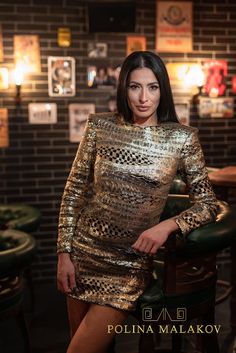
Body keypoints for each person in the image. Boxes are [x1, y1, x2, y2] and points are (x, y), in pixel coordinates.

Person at [57, 51, 218, 353]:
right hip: (83, 254)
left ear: (163, 90)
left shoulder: (181, 139)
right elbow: (74, 191)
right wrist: (64, 253)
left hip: (128, 265)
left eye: (153, 87)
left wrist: (168, 226)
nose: (144, 97)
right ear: (123, 89)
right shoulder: (98, 127)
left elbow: (208, 203)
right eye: (135, 86)